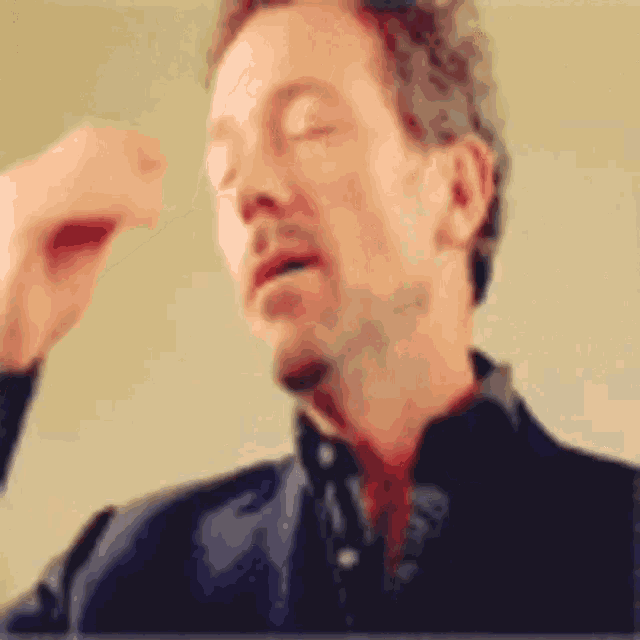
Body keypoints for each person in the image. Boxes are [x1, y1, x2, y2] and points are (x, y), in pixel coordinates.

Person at [1, 0, 638, 634]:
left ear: (459, 191)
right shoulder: (125, 585)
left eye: (310, 129)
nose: (250, 193)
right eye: (224, 170)